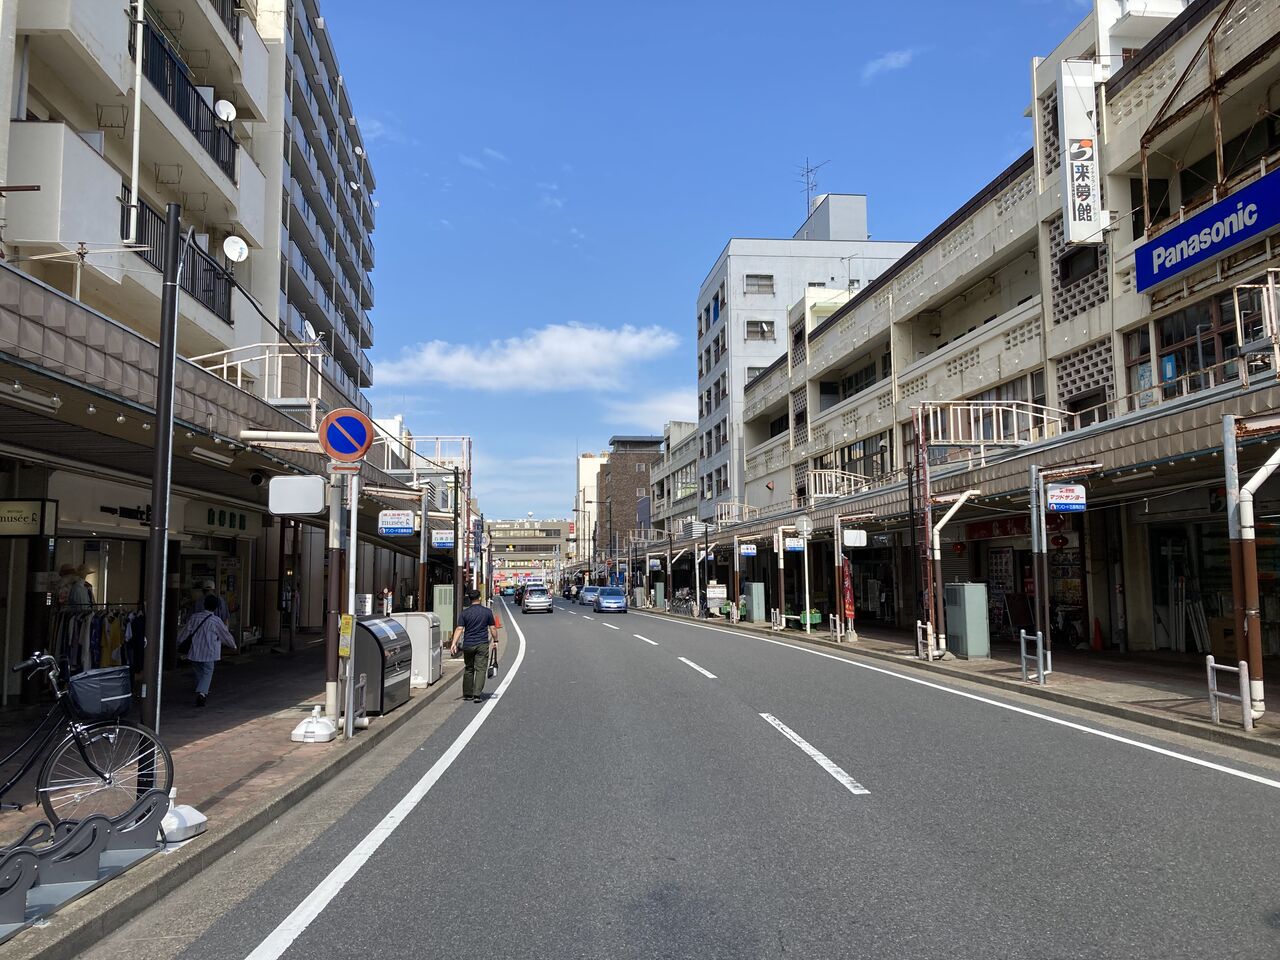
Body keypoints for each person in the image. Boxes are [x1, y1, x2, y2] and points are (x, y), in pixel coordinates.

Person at [178, 594, 237, 707]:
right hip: (209, 652)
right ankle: (202, 693)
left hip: (194, 651)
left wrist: (179, 641)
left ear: (204, 605)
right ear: (216, 607)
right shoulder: (216, 621)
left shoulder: (194, 617)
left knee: (199, 672)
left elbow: (185, 632)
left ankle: (201, 691)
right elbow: (225, 635)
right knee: (207, 672)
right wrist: (233, 645)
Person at [449, 589, 498, 702]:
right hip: (482, 644)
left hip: (468, 644)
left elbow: (459, 629)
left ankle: (467, 694)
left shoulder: (464, 613)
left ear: (469, 599)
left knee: (469, 668)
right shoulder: (487, 612)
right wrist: (496, 641)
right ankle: (477, 694)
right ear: (479, 598)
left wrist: (453, 643)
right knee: (481, 669)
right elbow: (493, 628)